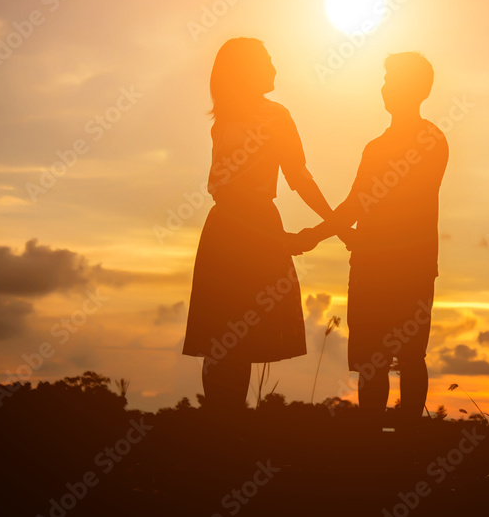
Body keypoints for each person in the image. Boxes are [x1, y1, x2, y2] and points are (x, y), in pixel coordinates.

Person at [289, 52, 448, 422]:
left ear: (418, 90)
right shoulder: (380, 146)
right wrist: (340, 231)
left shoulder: (428, 141)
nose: (386, 87)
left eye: (393, 80)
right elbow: (358, 205)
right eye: (386, 79)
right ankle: (374, 439)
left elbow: (363, 203)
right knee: (375, 361)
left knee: (408, 356)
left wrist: (316, 234)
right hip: (377, 264)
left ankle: (404, 437)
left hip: (405, 266)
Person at [182, 37, 334, 411]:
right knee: (228, 338)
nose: (274, 68)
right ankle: (223, 428)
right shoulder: (251, 117)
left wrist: (334, 225)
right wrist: (336, 225)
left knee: (234, 338)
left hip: (244, 225)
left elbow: (298, 177)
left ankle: (225, 429)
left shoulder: (252, 116)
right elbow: (298, 177)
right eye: (267, 61)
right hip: (237, 227)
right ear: (247, 70)